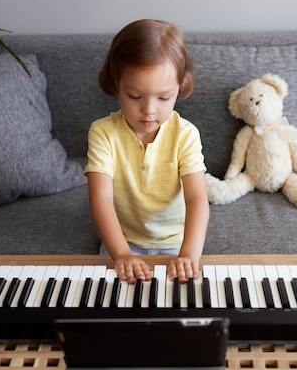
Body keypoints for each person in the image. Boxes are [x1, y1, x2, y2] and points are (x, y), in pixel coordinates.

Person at [84, 19, 209, 285]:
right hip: (124, 240)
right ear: (117, 84)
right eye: (135, 96)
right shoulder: (103, 132)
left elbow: (197, 198)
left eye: (164, 98)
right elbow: (101, 198)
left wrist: (189, 254)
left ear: (181, 86)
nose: (149, 110)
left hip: (176, 242)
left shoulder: (186, 134)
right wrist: (121, 254)